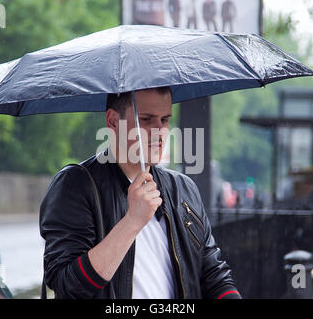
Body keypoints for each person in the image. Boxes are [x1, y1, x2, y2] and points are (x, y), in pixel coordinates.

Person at [40, 87, 241, 299]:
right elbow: (67, 285)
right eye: (146, 119)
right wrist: (132, 221)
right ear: (113, 122)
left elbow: (212, 273)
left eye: (165, 120)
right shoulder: (76, 184)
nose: (159, 131)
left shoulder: (183, 188)